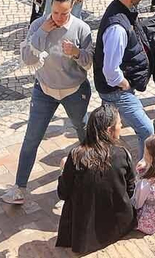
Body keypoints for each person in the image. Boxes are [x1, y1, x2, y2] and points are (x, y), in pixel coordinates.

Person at [5, 0, 94, 206]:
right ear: (50, 7)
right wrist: (43, 31)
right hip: (44, 90)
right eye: (55, 12)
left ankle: (93, 180)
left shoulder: (81, 29)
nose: (59, 18)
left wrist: (76, 53)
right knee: (31, 139)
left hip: (74, 92)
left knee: (85, 136)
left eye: (64, 13)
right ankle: (20, 187)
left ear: (72, 8)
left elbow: (90, 61)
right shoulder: (38, 25)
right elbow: (27, 58)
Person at [56, 104, 136, 255]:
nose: (121, 125)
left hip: (84, 235)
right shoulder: (122, 153)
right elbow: (131, 190)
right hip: (119, 225)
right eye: (119, 123)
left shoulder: (76, 156)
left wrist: (62, 170)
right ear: (109, 130)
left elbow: (63, 193)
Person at [95, 0, 155, 160]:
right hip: (117, 91)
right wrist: (125, 84)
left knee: (110, 132)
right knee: (147, 131)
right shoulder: (117, 28)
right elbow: (110, 70)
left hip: (114, 90)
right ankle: (142, 172)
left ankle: (108, 168)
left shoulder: (120, 11)